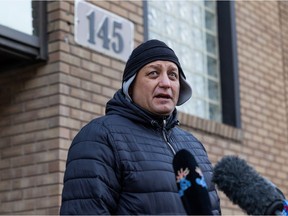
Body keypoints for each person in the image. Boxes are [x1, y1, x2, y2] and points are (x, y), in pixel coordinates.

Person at [60, 39, 221, 215]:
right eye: (153, 73)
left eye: (173, 75)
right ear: (130, 86)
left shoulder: (194, 146)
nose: (166, 83)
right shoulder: (100, 136)